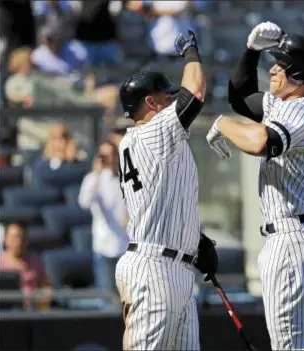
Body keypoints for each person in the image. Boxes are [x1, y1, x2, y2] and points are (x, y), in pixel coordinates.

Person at [206, 22, 304, 350]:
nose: (272, 70)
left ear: (298, 75)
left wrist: (224, 124)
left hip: (297, 241)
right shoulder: (284, 105)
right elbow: (240, 98)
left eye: (280, 65)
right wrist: (250, 51)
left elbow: (261, 142)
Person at [115, 30, 217, 350]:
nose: (171, 100)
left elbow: (163, 198)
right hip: (153, 267)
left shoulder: (145, 141)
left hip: (173, 267)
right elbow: (195, 93)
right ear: (150, 102)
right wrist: (190, 50)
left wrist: (195, 240)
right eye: (166, 96)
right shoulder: (150, 132)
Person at [78, 140, 129, 295]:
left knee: (128, 296)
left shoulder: (126, 178)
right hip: (103, 245)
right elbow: (84, 203)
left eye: (112, 154)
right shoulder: (92, 179)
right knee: (107, 295)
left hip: (127, 246)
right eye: (104, 155)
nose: (109, 158)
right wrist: (97, 174)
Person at [0, 222, 50, 308]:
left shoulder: (36, 260)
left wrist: (44, 297)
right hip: (5, 310)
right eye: (15, 237)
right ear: (6, 239)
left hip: (32, 310)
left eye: (22, 237)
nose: (19, 241)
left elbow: (45, 285)